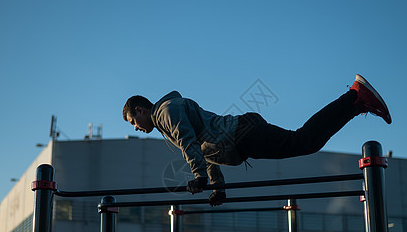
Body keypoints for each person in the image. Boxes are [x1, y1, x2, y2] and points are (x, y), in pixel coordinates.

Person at [123, 74, 391, 206]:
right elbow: (203, 150)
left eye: (133, 123)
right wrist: (217, 188)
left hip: (242, 134)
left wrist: (200, 178)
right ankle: (356, 103)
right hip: (241, 137)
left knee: (305, 140)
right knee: (306, 141)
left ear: (141, 110)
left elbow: (190, 144)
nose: (137, 128)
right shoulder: (164, 121)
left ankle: (354, 97)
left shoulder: (167, 112)